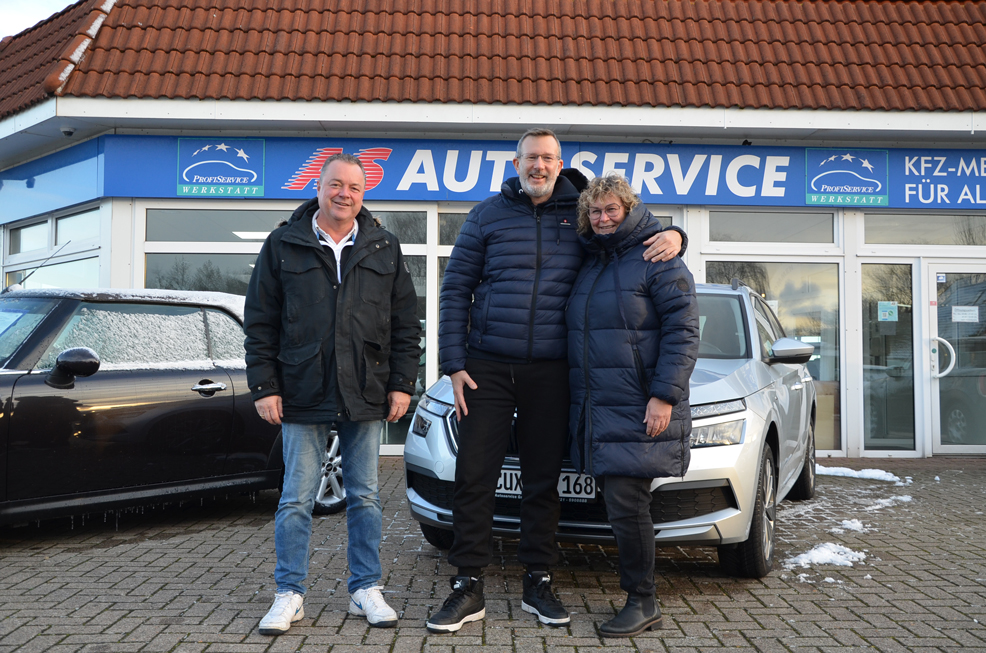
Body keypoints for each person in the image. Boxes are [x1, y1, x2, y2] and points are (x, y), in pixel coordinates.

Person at [428, 128, 688, 633]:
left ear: (559, 162)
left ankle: (539, 580)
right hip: (486, 367)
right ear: (516, 163)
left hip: (552, 370)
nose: (539, 166)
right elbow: (455, 287)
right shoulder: (486, 215)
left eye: (548, 157)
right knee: (474, 475)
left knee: (543, 480)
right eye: (531, 157)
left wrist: (678, 235)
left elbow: (629, 235)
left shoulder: (583, 216)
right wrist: (454, 363)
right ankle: (468, 585)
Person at [244, 153, 421, 635]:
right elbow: (260, 322)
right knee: (295, 499)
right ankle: (289, 593)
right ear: (318, 188)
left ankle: (366, 588)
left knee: (365, 497)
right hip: (301, 388)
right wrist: (265, 386)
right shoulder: (283, 243)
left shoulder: (384, 246)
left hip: (366, 388)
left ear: (364, 194)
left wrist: (402, 384)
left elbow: (406, 324)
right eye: (336, 185)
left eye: (354, 187)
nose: (345, 194)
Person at [566, 174, 699, 637]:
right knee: (619, 504)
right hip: (596, 406)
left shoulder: (657, 259)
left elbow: (684, 332)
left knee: (627, 504)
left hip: (638, 404)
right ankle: (639, 598)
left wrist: (664, 396)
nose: (603, 219)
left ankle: (643, 602)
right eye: (595, 211)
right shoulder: (592, 260)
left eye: (611, 210)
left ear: (629, 210)